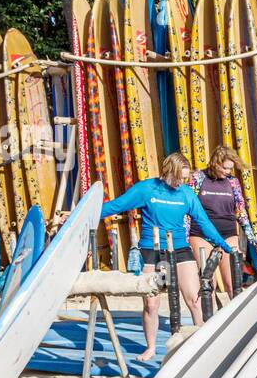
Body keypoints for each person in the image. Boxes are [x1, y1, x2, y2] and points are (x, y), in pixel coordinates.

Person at [101, 151, 235, 361]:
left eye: (184, 178)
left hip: (180, 249)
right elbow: (116, 206)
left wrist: (224, 245)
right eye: (179, 177)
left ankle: (201, 345)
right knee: (151, 304)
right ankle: (151, 347)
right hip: (151, 250)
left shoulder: (187, 194)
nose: (181, 182)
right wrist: (83, 215)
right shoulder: (147, 188)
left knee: (194, 299)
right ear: (168, 172)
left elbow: (204, 223)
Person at [190, 145, 257, 294]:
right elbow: (188, 207)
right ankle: (210, 314)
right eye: (225, 168)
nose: (228, 172)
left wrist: (249, 232)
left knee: (233, 283)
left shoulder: (232, 182)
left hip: (227, 233)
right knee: (208, 283)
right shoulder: (198, 178)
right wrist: (184, 234)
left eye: (230, 169)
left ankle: (237, 314)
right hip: (201, 235)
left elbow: (240, 209)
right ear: (215, 163)